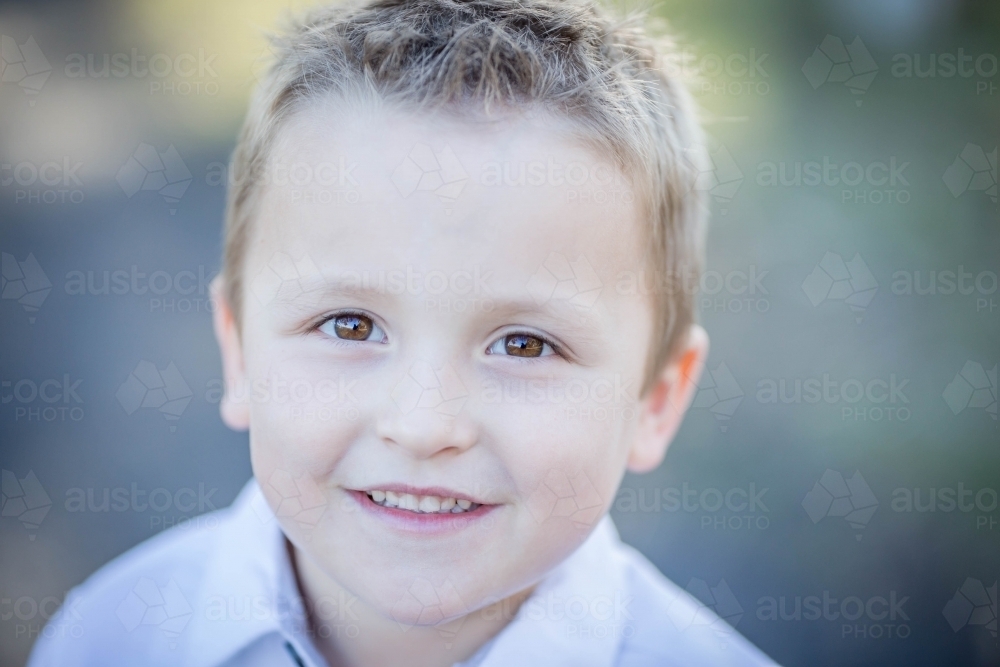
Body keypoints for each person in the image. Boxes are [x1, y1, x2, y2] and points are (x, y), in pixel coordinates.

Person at [30, 0, 777, 664]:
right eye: (349, 325)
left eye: (524, 344)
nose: (424, 426)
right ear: (239, 354)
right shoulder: (111, 638)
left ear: (656, 401)